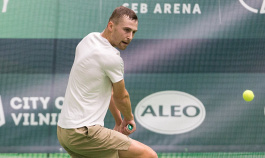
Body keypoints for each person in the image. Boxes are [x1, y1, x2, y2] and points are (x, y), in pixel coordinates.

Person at [57, 6, 158, 158]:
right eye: (126, 30)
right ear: (111, 26)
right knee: (148, 155)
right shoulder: (111, 58)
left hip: (65, 132)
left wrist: (119, 121)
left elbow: (107, 92)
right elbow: (121, 96)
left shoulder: (89, 39)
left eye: (133, 32)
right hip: (84, 133)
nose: (130, 36)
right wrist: (129, 118)